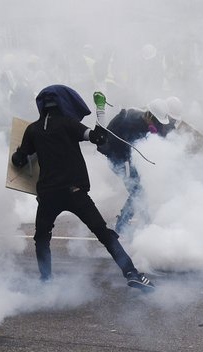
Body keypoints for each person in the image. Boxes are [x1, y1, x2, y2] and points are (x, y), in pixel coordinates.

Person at [10, 84, 154, 292]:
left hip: (48, 195)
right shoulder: (69, 124)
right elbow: (100, 138)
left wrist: (20, 152)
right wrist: (101, 110)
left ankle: (46, 282)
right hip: (75, 192)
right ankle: (132, 274)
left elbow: (18, 161)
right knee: (104, 234)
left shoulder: (32, 130)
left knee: (42, 238)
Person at [97, 98, 171, 233]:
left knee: (140, 191)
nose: (157, 124)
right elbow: (113, 145)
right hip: (119, 159)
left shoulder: (146, 121)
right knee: (137, 192)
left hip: (131, 160)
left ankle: (144, 222)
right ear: (149, 115)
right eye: (156, 121)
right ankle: (124, 224)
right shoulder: (127, 122)